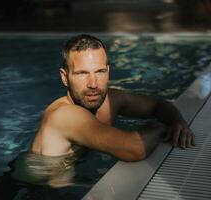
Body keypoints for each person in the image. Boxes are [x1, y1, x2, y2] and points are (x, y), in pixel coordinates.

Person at [31, 34, 195, 162]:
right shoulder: (64, 115)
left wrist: (177, 121)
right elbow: (134, 148)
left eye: (100, 71)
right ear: (65, 77)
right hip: (35, 189)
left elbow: (157, 105)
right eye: (82, 73)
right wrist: (159, 127)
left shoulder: (109, 99)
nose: (93, 84)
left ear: (108, 71)